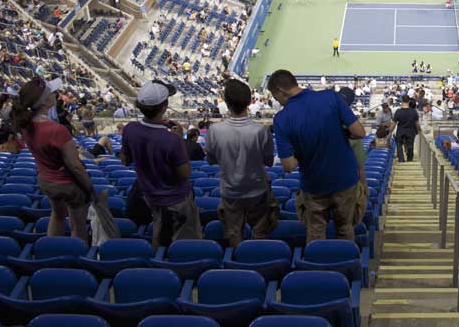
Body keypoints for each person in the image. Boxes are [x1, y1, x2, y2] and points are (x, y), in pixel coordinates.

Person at [269, 69, 366, 244]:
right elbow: (359, 132)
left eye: (276, 98)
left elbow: (289, 165)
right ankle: (345, 269)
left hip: (313, 186)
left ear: (279, 91)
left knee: (315, 233)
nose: (278, 102)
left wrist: (303, 148)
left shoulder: (281, 119)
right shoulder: (331, 97)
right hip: (345, 181)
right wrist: (340, 133)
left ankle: (317, 268)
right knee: (345, 228)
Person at [12, 77, 94, 243]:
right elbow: (75, 166)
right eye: (51, 93)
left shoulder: (26, 125)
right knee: (77, 226)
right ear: (44, 102)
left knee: (57, 215)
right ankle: (75, 261)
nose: (55, 95)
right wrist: (89, 188)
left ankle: (52, 251)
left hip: (46, 180)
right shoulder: (57, 130)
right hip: (67, 184)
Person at [121, 80, 201, 250]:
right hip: (176, 198)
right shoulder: (172, 140)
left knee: (159, 230)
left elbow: (125, 160)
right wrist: (180, 140)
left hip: (150, 196)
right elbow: (185, 173)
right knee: (185, 240)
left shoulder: (129, 129)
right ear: (164, 106)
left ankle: (159, 265)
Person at [206, 78, 277, 248]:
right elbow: (268, 161)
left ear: (227, 103)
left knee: (233, 232)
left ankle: (238, 263)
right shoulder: (260, 131)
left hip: (230, 191)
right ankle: (257, 262)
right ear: (248, 102)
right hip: (257, 190)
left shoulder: (214, 130)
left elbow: (211, 160)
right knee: (260, 231)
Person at [393, 96, 420, 162]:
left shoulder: (398, 111)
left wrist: (390, 132)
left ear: (402, 101)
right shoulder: (414, 112)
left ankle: (401, 159)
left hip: (400, 131)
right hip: (410, 132)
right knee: (410, 146)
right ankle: (409, 160)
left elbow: (393, 124)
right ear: (409, 101)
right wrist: (419, 130)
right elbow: (417, 124)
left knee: (399, 145)